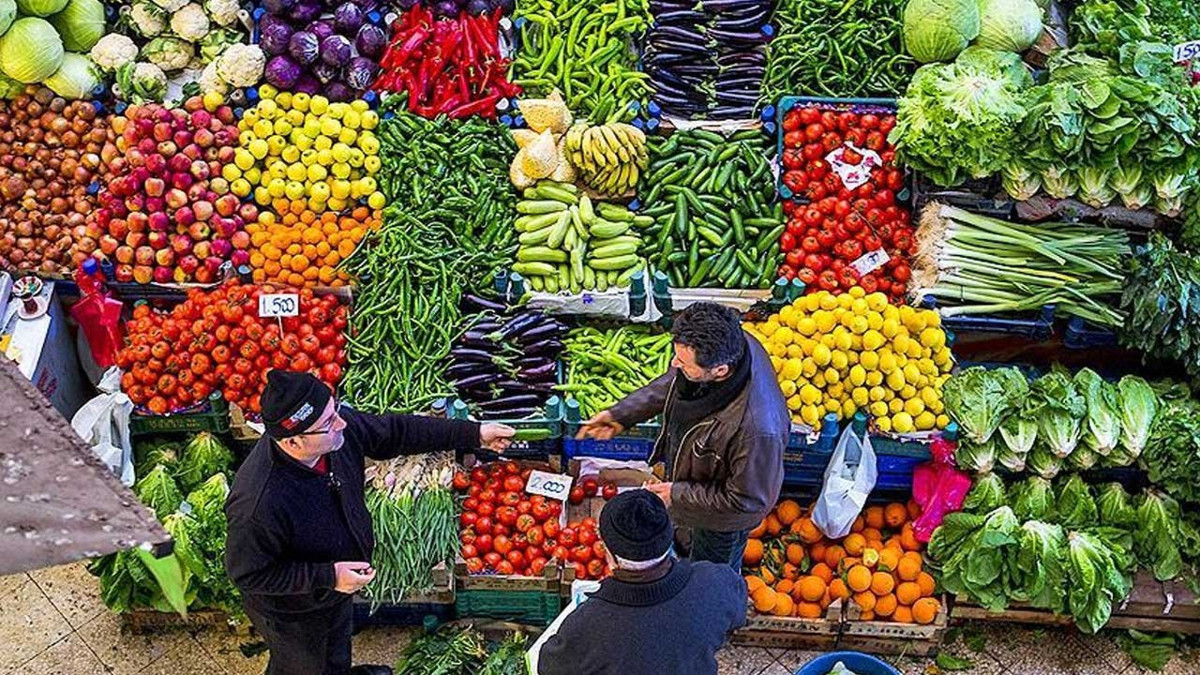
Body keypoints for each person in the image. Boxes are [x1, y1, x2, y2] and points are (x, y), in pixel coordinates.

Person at [225, 370, 514, 675]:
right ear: (294, 442)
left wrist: (474, 433)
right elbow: (248, 575)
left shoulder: (333, 435)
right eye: (328, 423)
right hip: (293, 609)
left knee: (336, 646)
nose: (342, 424)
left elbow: (395, 431)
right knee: (304, 664)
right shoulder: (258, 505)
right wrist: (327, 576)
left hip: (335, 585)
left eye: (335, 410)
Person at [577, 301, 788, 568]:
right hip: (698, 479)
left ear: (720, 371)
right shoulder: (731, 343)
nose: (675, 364)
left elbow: (746, 501)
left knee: (710, 573)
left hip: (721, 522)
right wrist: (623, 414)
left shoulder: (757, 431)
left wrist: (676, 494)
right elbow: (677, 381)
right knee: (689, 541)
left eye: (683, 362)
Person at [531, 490, 748, 675]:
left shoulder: (587, 625)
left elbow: (548, 666)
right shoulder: (718, 582)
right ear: (668, 538)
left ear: (609, 553)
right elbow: (736, 617)